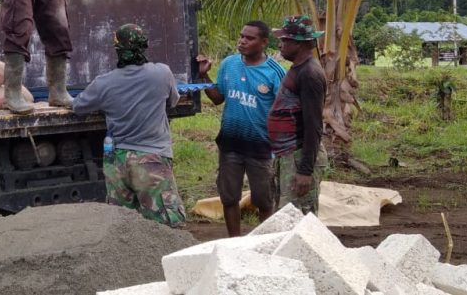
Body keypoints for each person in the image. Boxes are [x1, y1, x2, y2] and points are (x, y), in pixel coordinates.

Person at [73, 24, 186, 227]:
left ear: (117, 49)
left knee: (123, 229)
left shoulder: (103, 83)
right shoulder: (162, 74)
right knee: (166, 228)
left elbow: (78, 106)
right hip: (152, 160)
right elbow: (173, 101)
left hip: (118, 162)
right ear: (144, 47)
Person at [197, 21, 286, 237]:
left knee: (263, 200)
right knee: (229, 197)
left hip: (261, 148)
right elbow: (218, 98)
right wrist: (203, 76)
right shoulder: (229, 64)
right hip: (230, 146)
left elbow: (284, 113)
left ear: (264, 42)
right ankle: (234, 242)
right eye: (241, 36)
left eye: (250, 38)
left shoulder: (275, 73)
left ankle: (264, 242)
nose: (242, 41)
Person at [268, 15, 328, 215]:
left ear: (300, 44)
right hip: (289, 155)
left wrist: (305, 170)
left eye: (285, 40)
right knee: (286, 216)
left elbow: (314, 125)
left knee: (299, 220)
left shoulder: (309, 74)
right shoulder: (299, 69)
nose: (280, 45)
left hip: (299, 155)